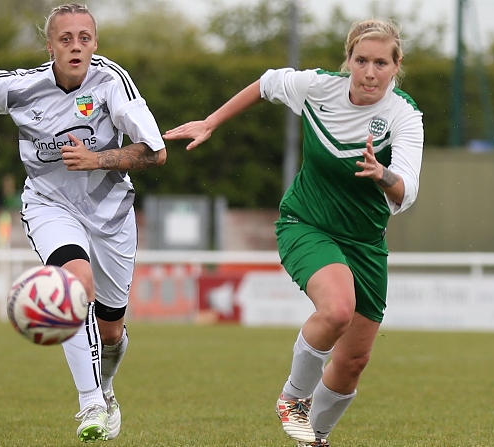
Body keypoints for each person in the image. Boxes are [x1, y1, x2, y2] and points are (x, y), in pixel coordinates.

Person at [0, 3, 166, 442]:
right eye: (66, 39)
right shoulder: (22, 86)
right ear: (51, 47)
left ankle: (104, 387)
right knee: (74, 285)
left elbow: (155, 152)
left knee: (112, 330)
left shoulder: (112, 82)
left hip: (111, 215)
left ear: (95, 43)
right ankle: (89, 405)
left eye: (85, 38)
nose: (76, 46)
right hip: (50, 206)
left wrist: (97, 159)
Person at [163, 19, 423, 447]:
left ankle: (312, 438)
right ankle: (293, 398)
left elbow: (407, 191)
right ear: (349, 61)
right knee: (338, 310)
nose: (370, 72)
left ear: (396, 67)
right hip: (307, 224)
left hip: (365, 242)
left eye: (381, 62)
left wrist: (382, 174)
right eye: (361, 61)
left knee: (354, 360)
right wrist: (211, 121)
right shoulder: (318, 87)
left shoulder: (404, 115)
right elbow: (266, 83)